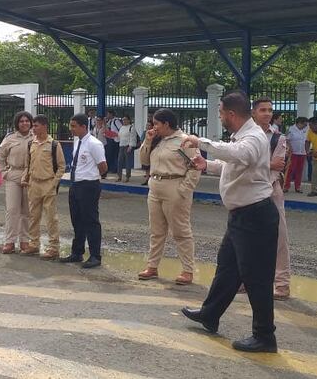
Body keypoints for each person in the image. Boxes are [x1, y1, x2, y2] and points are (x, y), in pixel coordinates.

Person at [180, 90, 280, 353]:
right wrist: (206, 165)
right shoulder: (243, 137)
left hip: (255, 216)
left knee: (257, 277)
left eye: (221, 113)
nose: (220, 117)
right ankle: (210, 314)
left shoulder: (254, 137)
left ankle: (265, 336)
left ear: (231, 114)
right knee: (227, 268)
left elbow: (238, 155)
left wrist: (200, 141)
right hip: (242, 216)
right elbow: (233, 165)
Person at [136, 108, 200, 285]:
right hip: (155, 186)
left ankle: (187, 270)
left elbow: (195, 167)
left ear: (166, 123)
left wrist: (184, 190)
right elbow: (144, 160)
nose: (153, 127)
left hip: (175, 186)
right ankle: (152, 266)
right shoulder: (158, 140)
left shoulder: (184, 141)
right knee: (156, 231)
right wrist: (148, 141)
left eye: (156, 123)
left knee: (180, 231)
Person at [252, 99, 293, 300]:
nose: (267, 114)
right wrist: (266, 164)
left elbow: (279, 165)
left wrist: (255, 165)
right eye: (262, 110)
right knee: (247, 238)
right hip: (249, 191)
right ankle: (245, 280)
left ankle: (282, 284)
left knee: (279, 237)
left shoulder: (278, 138)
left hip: (271, 190)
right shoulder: (241, 136)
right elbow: (238, 162)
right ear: (253, 112)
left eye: (270, 110)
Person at [60, 113, 108, 268]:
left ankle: (95, 255)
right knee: (77, 220)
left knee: (91, 221)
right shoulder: (78, 142)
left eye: (74, 126)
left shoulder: (94, 143)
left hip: (88, 185)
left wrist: (91, 177)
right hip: (76, 185)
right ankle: (77, 252)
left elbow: (103, 167)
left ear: (83, 126)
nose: (71, 129)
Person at [22, 115, 66, 258]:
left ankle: (53, 247)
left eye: (36, 126)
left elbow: (61, 166)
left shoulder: (53, 144)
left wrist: (54, 183)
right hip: (34, 184)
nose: (33, 128)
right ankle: (33, 244)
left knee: (51, 218)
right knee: (34, 216)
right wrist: (25, 177)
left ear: (45, 126)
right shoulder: (31, 143)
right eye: (33, 126)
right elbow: (28, 164)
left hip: (48, 183)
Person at [0, 111, 34, 254]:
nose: (24, 123)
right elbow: (0, 155)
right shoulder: (10, 138)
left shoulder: (35, 137)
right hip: (14, 175)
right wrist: (4, 172)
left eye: (27, 121)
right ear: (17, 123)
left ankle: (25, 240)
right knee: (12, 209)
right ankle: (9, 241)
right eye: (21, 121)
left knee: (27, 210)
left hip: (30, 175)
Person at [284, 117, 308, 194]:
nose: (306, 125)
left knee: (299, 171)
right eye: (304, 124)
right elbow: (286, 140)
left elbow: (307, 141)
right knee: (290, 170)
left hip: (302, 153)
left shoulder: (305, 130)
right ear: (300, 123)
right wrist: (290, 148)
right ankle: (286, 186)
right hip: (293, 153)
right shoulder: (291, 129)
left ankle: (298, 187)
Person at [117, 115, 137, 182]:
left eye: (125, 119)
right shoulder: (122, 128)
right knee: (120, 161)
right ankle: (119, 176)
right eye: (123, 120)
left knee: (128, 162)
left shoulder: (131, 127)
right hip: (121, 146)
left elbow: (133, 138)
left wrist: (131, 146)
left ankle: (127, 177)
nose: (124, 121)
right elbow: (119, 136)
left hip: (127, 146)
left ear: (129, 120)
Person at [104, 109, 121, 174]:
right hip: (111, 140)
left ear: (111, 114)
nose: (107, 115)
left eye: (108, 114)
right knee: (110, 155)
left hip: (116, 140)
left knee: (115, 155)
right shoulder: (110, 121)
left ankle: (115, 169)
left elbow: (120, 129)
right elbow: (107, 128)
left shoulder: (116, 121)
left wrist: (115, 134)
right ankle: (111, 168)